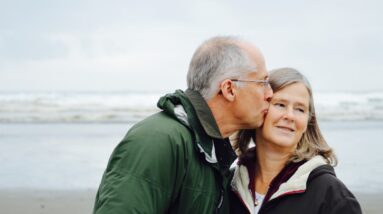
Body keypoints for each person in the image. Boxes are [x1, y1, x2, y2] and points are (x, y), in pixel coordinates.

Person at [93, 36, 273, 214]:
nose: (269, 94)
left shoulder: (211, 152)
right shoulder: (158, 141)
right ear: (229, 89)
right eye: (263, 82)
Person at [230, 68, 362, 214]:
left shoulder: (332, 196)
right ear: (259, 109)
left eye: (300, 109)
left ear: (307, 122)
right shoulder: (230, 185)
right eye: (280, 104)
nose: (290, 116)